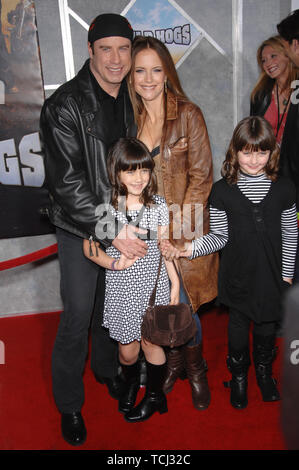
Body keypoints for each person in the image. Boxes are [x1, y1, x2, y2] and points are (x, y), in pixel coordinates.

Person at [39, 14, 148, 446]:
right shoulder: (64, 105)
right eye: (107, 48)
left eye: (124, 48)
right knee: (78, 315)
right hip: (80, 225)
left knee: (113, 305)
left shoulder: (132, 99)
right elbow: (67, 184)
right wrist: (113, 227)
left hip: (123, 222)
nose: (116, 58)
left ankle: (107, 372)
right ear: (90, 50)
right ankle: (69, 405)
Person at [178, 116, 298, 409]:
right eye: (247, 152)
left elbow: (291, 234)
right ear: (235, 152)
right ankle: (240, 376)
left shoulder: (285, 189)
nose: (254, 160)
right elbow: (219, 237)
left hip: (272, 277)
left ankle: (264, 373)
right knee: (238, 328)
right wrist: (189, 248)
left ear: (272, 152)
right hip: (237, 276)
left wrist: (286, 275)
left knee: (267, 329)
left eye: (262, 151)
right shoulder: (222, 192)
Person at [127, 36, 219, 411]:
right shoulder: (127, 118)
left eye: (156, 69)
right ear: (131, 77)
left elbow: (202, 178)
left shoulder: (187, 114)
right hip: (145, 232)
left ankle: (195, 369)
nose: (148, 78)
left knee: (186, 304)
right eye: (140, 71)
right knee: (161, 304)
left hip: (184, 230)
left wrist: (176, 234)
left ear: (167, 73)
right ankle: (175, 361)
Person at [83, 137, 180, 422]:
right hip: (122, 290)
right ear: (116, 172)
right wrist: (114, 263)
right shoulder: (107, 208)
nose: (139, 178)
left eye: (144, 170)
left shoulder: (158, 204)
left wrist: (174, 282)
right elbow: (89, 248)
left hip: (154, 288)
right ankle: (128, 384)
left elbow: (165, 246)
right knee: (127, 352)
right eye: (130, 171)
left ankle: (154, 395)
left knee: (153, 345)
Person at [250, 36, 299, 282]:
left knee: (293, 233)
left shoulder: (298, 89)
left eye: (273, 56)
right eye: (263, 60)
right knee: (271, 234)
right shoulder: (260, 94)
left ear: (288, 53)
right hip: (267, 174)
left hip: (294, 175)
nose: (268, 63)